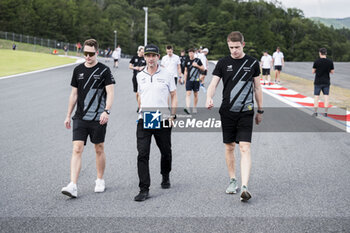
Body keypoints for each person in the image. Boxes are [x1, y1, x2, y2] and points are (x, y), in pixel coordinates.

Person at [206, 31, 263, 202]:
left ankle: (245, 187)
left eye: (237, 47)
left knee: (244, 148)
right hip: (227, 111)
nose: (234, 51)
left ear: (243, 45)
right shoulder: (223, 62)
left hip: (246, 111)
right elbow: (213, 83)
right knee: (230, 147)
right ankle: (233, 180)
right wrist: (209, 97)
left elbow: (258, 88)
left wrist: (260, 110)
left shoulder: (252, 62)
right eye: (231, 47)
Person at [61, 39, 115, 198]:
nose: (88, 56)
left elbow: (110, 93)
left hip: (99, 117)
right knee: (77, 148)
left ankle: (100, 179)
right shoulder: (78, 70)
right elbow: (74, 94)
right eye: (85, 53)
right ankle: (73, 185)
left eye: (91, 54)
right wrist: (68, 115)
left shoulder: (104, 70)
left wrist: (107, 111)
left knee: (98, 148)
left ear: (96, 52)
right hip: (80, 117)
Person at [134, 44, 178, 202]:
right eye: (148, 56)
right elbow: (139, 94)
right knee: (142, 153)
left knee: (166, 151)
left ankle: (165, 175)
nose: (150, 58)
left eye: (153, 55)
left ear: (158, 57)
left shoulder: (167, 74)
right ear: (144, 57)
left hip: (162, 118)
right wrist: (140, 108)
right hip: (145, 118)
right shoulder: (140, 76)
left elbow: (173, 94)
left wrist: (172, 115)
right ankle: (143, 189)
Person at [312, 48, 334, 117]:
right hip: (326, 81)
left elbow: (313, 71)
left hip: (318, 81)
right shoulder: (330, 61)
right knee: (326, 96)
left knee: (316, 96)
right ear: (326, 53)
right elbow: (332, 72)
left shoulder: (316, 61)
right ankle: (326, 112)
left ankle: (315, 112)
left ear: (320, 53)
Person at [184, 48, 205, 114]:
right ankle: (188, 108)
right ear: (188, 53)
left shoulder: (198, 60)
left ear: (194, 53)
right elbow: (185, 71)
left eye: (192, 52)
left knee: (195, 94)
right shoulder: (186, 60)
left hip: (196, 80)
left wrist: (197, 65)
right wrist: (185, 80)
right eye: (190, 53)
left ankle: (194, 108)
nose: (191, 54)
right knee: (188, 93)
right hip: (189, 80)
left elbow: (203, 69)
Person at [129, 46, 146, 112]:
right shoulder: (134, 57)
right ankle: (139, 104)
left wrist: (143, 67)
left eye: (143, 52)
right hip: (135, 76)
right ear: (139, 51)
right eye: (142, 52)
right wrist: (136, 68)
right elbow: (130, 66)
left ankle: (141, 106)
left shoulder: (145, 58)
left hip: (143, 78)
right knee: (137, 93)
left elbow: (148, 65)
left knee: (141, 93)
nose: (143, 53)